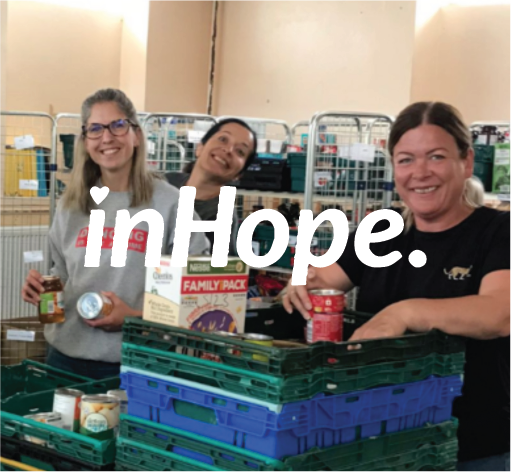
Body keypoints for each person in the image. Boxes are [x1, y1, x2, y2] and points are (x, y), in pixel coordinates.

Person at [282, 102, 511, 471]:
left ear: (466, 162)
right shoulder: (381, 235)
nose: (420, 172)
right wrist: (296, 286)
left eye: (436, 157)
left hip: (470, 446)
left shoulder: (498, 231)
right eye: (405, 160)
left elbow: (500, 313)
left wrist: (404, 313)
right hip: (380, 441)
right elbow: (317, 280)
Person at [21, 88, 210, 380]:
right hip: (64, 357)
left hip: (138, 362)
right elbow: (62, 273)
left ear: (135, 135)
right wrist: (42, 289)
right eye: (95, 129)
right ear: (85, 141)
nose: (107, 138)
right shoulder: (70, 204)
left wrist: (135, 317)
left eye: (118, 125)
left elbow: (199, 292)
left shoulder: (170, 203)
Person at [165, 118, 257, 255]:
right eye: (223, 139)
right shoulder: (167, 182)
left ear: (239, 174)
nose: (228, 150)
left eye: (240, 152)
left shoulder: (222, 217)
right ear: (200, 148)